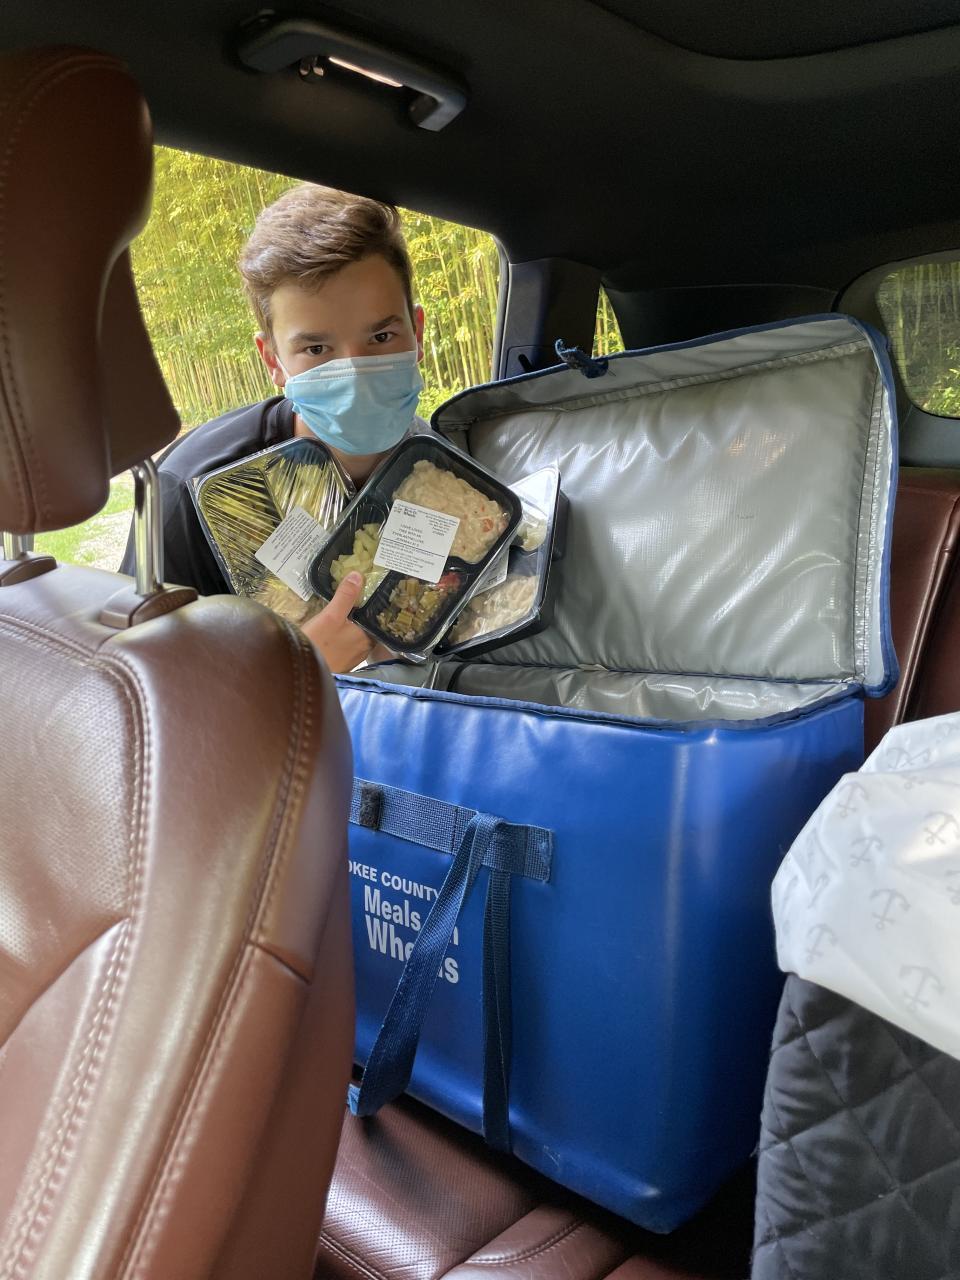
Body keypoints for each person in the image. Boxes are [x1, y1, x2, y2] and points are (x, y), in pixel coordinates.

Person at [120, 183, 431, 672]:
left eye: (381, 336)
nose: (354, 372)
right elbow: (138, 679)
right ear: (273, 360)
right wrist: (294, 673)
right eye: (316, 349)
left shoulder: (439, 467)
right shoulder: (187, 494)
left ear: (418, 333)